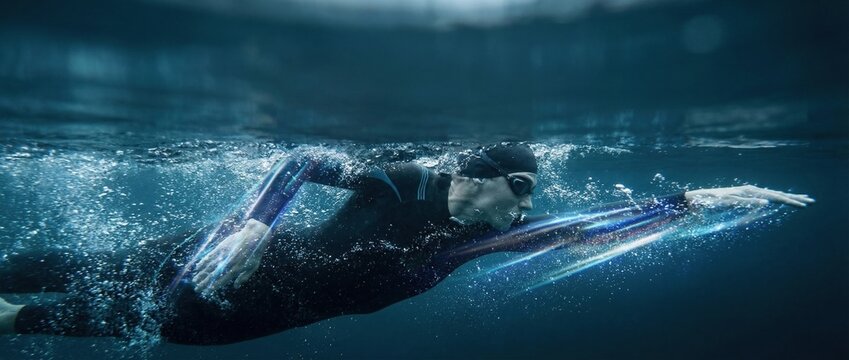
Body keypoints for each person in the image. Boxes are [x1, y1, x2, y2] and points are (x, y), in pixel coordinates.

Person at [0, 144, 814, 345]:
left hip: (232, 321)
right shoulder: (396, 180)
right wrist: (257, 219)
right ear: (472, 172)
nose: (526, 206)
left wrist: (690, 200)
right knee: (86, 268)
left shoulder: (476, 242)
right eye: (520, 187)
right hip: (223, 254)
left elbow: (583, 229)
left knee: (131, 323)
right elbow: (303, 161)